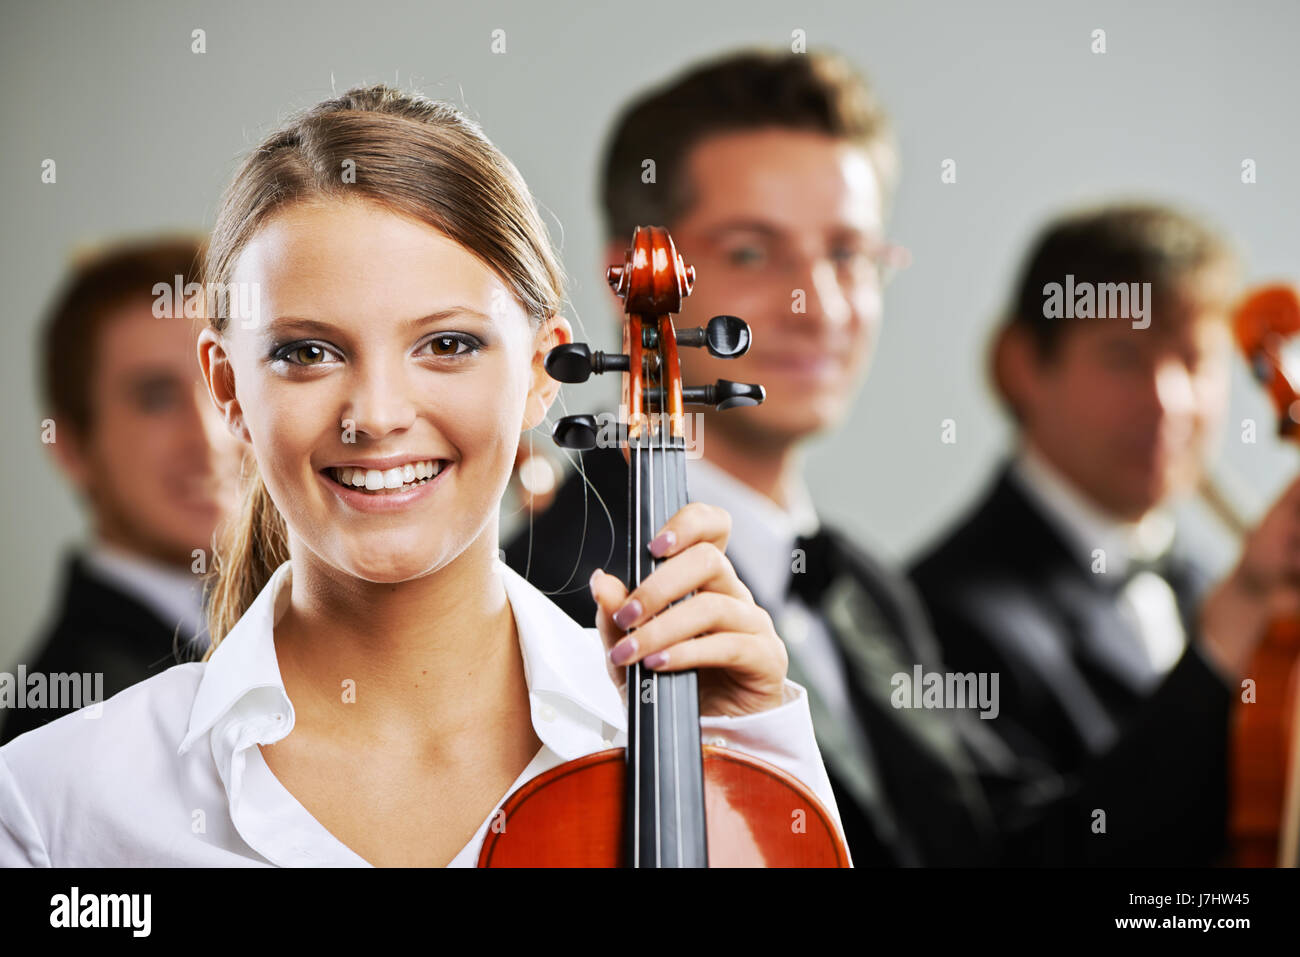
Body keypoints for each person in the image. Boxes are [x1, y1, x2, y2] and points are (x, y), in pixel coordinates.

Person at [0, 83, 844, 867]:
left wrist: (755, 756)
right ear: (228, 389)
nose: (375, 413)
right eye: (308, 352)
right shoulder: (56, 802)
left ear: (545, 370)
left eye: (447, 344)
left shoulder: (701, 742)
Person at [505, 48, 1000, 865]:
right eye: (750, 252)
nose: (820, 304)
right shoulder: (557, 592)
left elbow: (1007, 845)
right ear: (633, 282)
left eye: (848, 253)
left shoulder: (864, 583)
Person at [909, 203, 1300, 864]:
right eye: (1123, 355)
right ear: (1020, 365)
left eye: (1193, 357)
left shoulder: (1217, 583)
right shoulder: (932, 615)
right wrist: (1235, 619)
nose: (1167, 401)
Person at [1, 238, 243, 745]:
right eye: (155, 398)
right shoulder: (73, 719)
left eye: (228, 381)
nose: (211, 435)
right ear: (70, 449)